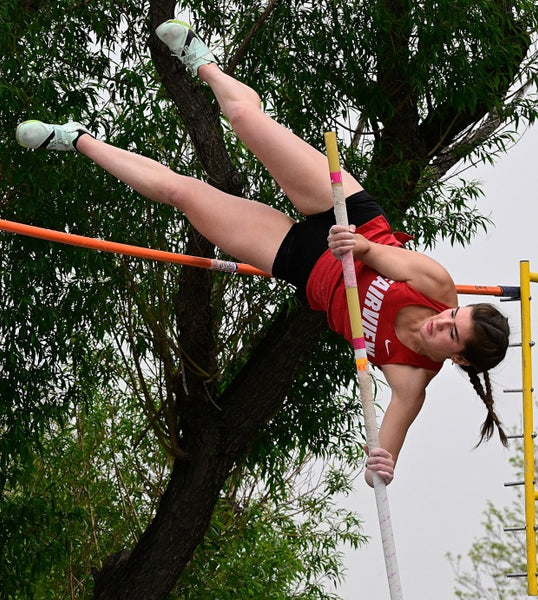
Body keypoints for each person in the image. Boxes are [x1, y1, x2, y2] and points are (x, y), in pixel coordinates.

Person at [15, 20, 510, 487]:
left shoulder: (409, 380)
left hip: (301, 262)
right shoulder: (439, 286)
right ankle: (201, 59)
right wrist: (356, 244)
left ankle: (76, 139)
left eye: (450, 335)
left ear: (459, 361)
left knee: (185, 195)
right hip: (348, 220)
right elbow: (384, 259)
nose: (439, 323)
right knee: (243, 117)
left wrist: (381, 463)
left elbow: (385, 453)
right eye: (452, 317)